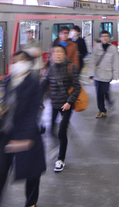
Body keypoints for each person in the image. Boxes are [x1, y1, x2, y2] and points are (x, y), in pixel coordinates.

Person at [0, 51, 46, 207]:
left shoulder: (34, 84)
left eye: (21, 60)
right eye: (15, 60)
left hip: (27, 134)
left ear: (28, 63)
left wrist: (25, 139)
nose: (17, 63)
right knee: (1, 172)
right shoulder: (9, 81)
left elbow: (33, 113)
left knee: (32, 173)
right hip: (7, 133)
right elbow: (5, 100)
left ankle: (31, 203)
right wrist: (1, 108)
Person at [40, 44, 81, 172]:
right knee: (51, 130)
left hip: (66, 105)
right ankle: (59, 145)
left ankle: (60, 159)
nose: (57, 54)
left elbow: (77, 87)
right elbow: (42, 87)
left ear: (64, 54)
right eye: (54, 52)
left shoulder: (70, 67)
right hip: (54, 104)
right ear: (51, 55)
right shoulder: (50, 69)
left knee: (62, 131)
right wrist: (39, 102)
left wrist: (69, 102)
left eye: (59, 52)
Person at [88, 30, 119, 118]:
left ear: (109, 38)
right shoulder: (96, 48)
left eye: (106, 36)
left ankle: (109, 102)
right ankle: (102, 110)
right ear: (100, 38)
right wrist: (91, 74)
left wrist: (115, 75)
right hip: (98, 75)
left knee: (104, 91)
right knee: (99, 94)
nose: (105, 38)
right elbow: (93, 62)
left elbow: (115, 62)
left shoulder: (113, 48)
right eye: (103, 36)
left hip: (107, 74)